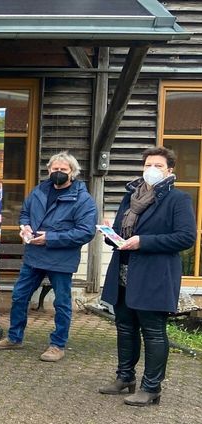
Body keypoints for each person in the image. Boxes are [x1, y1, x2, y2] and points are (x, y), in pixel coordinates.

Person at [97, 147, 195, 406]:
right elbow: (121, 235)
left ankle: (151, 387)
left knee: (153, 332)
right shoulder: (131, 196)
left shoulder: (178, 199)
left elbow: (186, 237)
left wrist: (144, 241)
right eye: (148, 164)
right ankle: (125, 377)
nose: (151, 169)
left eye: (158, 165)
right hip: (123, 273)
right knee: (125, 328)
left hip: (155, 276)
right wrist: (111, 234)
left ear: (169, 171)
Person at [0, 151, 96, 362]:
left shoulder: (83, 199)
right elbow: (25, 212)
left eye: (63, 170)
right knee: (19, 296)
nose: (58, 173)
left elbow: (85, 232)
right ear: (49, 170)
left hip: (61, 258)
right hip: (34, 254)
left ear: (72, 173)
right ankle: (14, 337)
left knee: (62, 303)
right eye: (55, 169)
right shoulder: (39, 191)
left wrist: (51, 238)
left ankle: (57, 345)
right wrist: (24, 226)